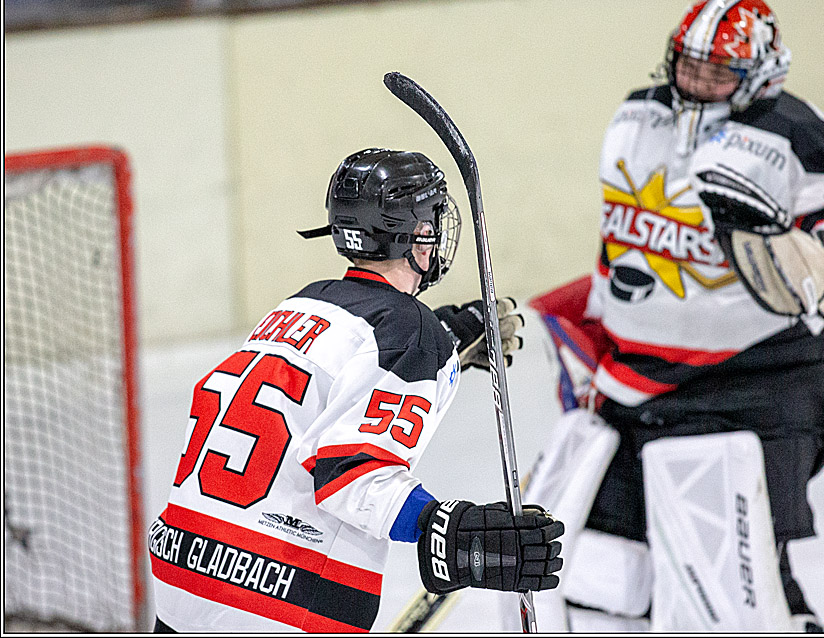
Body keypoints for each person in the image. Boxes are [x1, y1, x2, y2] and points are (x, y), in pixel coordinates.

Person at [526, 0, 824, 632]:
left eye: (718, 71)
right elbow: (623, 240)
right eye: (687, 65)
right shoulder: (636, 114)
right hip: (637, 378)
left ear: (760, 72)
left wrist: (771, 244)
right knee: (601, 565)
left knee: (737, 566)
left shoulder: (796, 134)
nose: (697, 83)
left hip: (753, 381)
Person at [148, 148, 563, 632]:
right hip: (276, 597)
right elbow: (352, 474)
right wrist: (446, 528)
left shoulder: (299, 303)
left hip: (179, 570)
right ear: (412, 235)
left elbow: (341, 371)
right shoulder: (410, 331)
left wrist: (442, 342)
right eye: (430, 222)